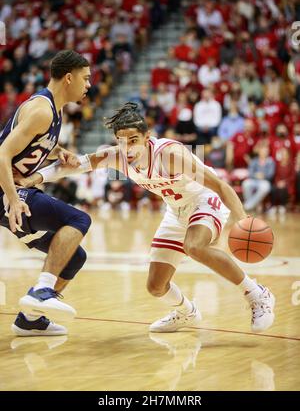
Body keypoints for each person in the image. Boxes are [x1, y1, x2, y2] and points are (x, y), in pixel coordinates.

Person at [20, 103, 275, 333]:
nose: (127, 147)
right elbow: (74, 165)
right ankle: (186, 312)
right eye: (121, 141)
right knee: (155, 286)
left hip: (204, 200)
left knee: (195, 246)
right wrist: (35, 178)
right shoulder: (117, 157)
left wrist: (242, 220)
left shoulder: (171, 155)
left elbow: (220, 185)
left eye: (133, 140)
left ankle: (256, 294)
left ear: (147, 138)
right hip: (175, 211)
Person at [0, 50, 92, 336]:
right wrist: (13, 199)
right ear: (68, 78)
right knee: (78, 220)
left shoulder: (56, 109)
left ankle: (30, 318)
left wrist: (59, 151)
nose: (88, 85)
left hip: (9, 191)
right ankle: (42, 290)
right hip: (4, 192)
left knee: (74, 257)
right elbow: (2, 152)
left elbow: (35, 143)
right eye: (85, 78)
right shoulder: (42, 109)